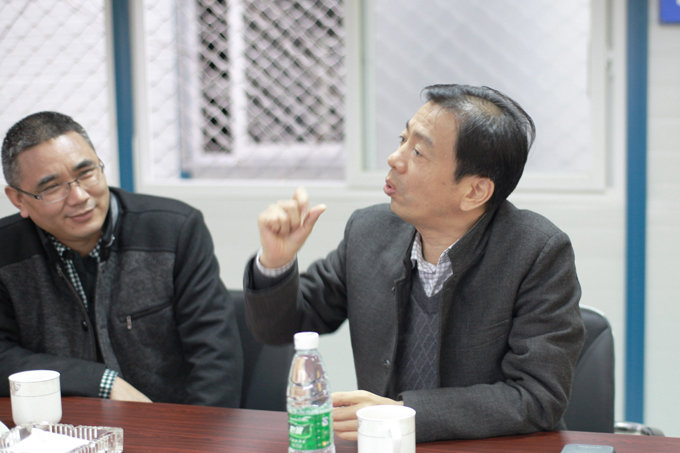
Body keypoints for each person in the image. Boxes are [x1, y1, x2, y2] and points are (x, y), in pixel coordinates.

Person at [244, 84, 585, 442]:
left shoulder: (536, 252)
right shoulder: (369, 231)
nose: (395, 158)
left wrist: (401, 414)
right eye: (403, 139)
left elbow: (537, 397)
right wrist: (276, 263)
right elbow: (280, 328)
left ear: (474, 191)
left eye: (418, 151)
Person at [0, 111, 242, 407]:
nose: (79, 196)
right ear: (18, 199)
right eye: (51, 187)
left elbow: (216, 358)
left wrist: (196, 432)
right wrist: (100, 382)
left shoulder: (174, 231)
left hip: (168, 423)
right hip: (58, 427)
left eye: (86, 173)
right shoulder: (5, 252)